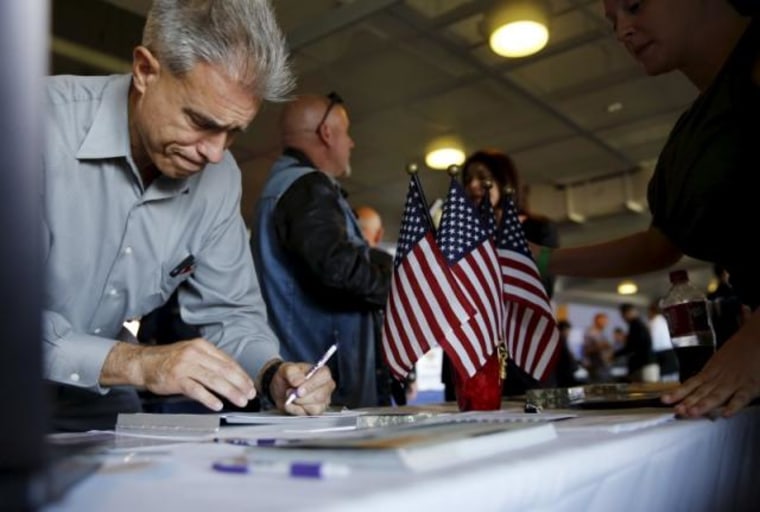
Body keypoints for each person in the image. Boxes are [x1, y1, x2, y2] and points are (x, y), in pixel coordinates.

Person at [43, 0, 335, 431]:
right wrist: (139, 363)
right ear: (145, 70)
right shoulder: (32, 125)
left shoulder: (219, 179)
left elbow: (231, 314)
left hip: (94, 397)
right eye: (200, 121)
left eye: (233, 132)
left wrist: (273, 374)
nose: (215, 153)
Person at [534, 0, 759, 417]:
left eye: (634, 7)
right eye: (613, 22)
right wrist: (540, 259)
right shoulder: (688, 139)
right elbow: (659, 244)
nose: (623, 31)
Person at [251, 94, 392, 409]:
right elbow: (336, 270)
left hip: (303, 384)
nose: (351, 143)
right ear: (327, 133)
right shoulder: (307, 186)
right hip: (322, 390)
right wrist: (398, 288)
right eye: (346, 132)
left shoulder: (284, 186)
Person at [441, 148, 560, 398]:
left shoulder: (538, 229)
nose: (472, 184)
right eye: (468, 179)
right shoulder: (457, 237)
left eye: (482, 176)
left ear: (504, 181)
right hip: (467, 359)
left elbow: (541, 287)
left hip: (522, 357)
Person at [354, 205, 418, 405]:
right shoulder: (388, 267)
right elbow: (402, 323)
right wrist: (410, 374)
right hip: (382, 370)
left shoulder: (331, 267)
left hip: (344, 369)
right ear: (379, 234)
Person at [615, 304, 658, 383]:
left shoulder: (636, 325)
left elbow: (632, 347)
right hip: (645, 364)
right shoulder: (638, 324)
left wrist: (614, 355)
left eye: (623, 315)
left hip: (644, 365)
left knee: (648, 393)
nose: (623, 318)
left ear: (628, 313)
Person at [648, 300, 679, 382]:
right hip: (670, 353)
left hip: (661, 355)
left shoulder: (654, 321)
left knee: (665, 383)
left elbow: (652, 342)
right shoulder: (663, 320)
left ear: (651, 311)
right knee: (673, 382)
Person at [582, 313, 614, 383]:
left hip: (605, 365)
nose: (605, 323)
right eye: (603, 321)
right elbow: (586, 350)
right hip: (596, 366)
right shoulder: (590, 332)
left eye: (606, 321)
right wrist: (601, 346)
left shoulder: (603, 332)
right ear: (597, 321)